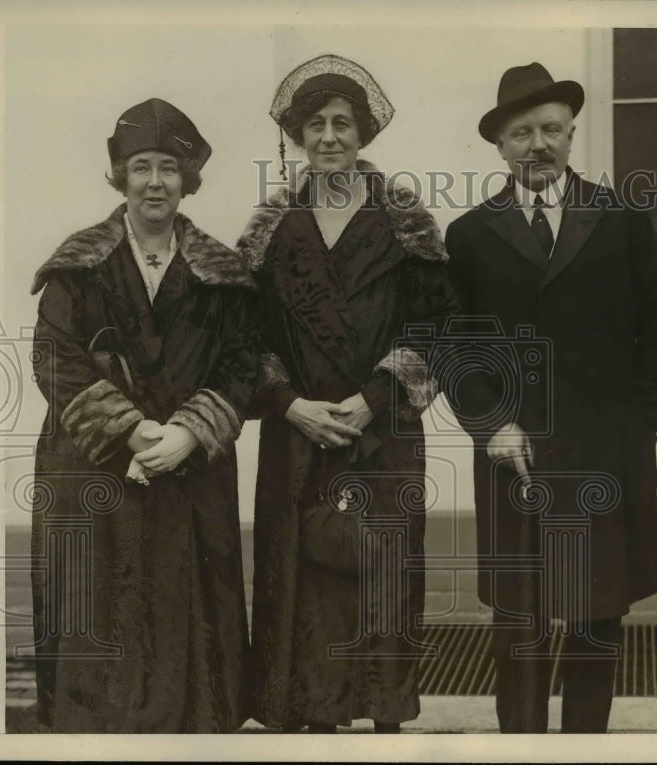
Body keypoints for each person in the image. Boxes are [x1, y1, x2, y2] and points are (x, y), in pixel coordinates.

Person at [443, 62, 657, 733]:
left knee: (596, 612)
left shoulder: (620, 220)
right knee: (518, 616)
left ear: (572, 134)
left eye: (551, 128)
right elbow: (453, 345)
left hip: (606, 450)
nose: (538, 144)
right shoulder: (468, 235)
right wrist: (492, 423)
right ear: (499, 146)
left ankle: (585, 745)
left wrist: (640, 420)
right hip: (513, 455)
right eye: (522, 132)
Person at [237, 54, 458, 734]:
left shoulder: (406, 222)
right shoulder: (271, 227)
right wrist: (289, 404)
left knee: (382, 575)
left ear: (363, 134)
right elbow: (241, 334)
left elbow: (439, 325)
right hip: (298, 433)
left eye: (342, 124)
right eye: (316, 125)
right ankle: (312, 719)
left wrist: (376, 395)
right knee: (303, 581)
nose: (329, 136)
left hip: (382, 432)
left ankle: (385, 721)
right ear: (299, 135)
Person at [29, 98, 258, 732]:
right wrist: (132, 428)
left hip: (191, 469)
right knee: (101, 619)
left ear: (188, 179)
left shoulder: (223, 275)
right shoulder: (77, 268)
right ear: (119, 176)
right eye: (140, 168)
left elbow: (243, 364)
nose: (155, 182)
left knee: (188, 628)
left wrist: (190, 429)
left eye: (168, 168)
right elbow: (54, 357)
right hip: (95, 470)